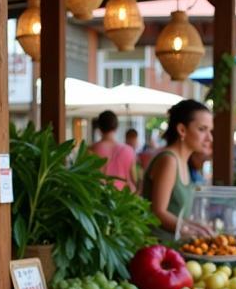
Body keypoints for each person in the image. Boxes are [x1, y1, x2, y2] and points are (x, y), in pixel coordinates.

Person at [142, 99, 213, 238]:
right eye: (202, 129)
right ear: (182, 130)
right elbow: (159, 212)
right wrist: (191, 230)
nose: (209, 137)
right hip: (158, 250)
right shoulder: (169, 160)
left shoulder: (183, 161)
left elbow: (175, 215)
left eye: (210, 130)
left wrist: (197, 227)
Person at [89, 110, 137, 190]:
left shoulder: (91, 150)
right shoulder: (129, 150)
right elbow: (134, 179)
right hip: (124, 198)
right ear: (116, 127)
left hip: (100, 197)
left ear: (99, 127)